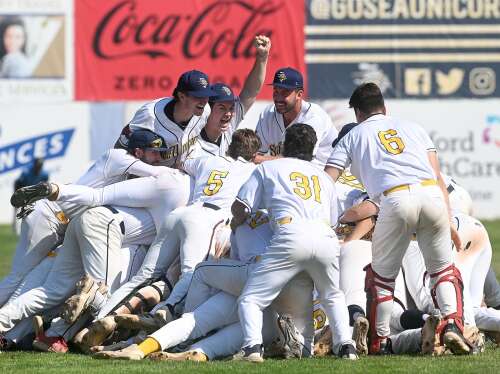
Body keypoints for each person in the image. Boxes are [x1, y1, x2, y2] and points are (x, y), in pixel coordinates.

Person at [324, 82, 469, 355]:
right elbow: (437, 175)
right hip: (432, 195)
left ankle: (381, 340)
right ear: (384, 107)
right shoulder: (414, 128)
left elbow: (326, 180)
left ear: (357, 113)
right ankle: (452, 325)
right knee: (442, 271)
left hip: (395, 198)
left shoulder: (352, 136)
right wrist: (448, 221)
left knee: (381, 278)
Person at [231, 124, 357, 362]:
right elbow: (332, 221)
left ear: (285, 145)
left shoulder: (269, 167)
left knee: (251, 299)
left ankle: (252, 349)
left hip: (291, 233)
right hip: (324, 236)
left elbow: (242, 206)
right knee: (333, 295)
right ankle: (346, 347)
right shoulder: (323, 176)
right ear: (313, 149)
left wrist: (237, 222)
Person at [253, 67, 338, 167]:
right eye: (276, 91)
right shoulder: (268, 114)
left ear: (299, 94)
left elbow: (299, 161)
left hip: (327, 173)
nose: (278, 98)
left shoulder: (313, 117)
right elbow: (255, 154)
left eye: (285, 92)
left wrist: (259, 159)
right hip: (292, 174)